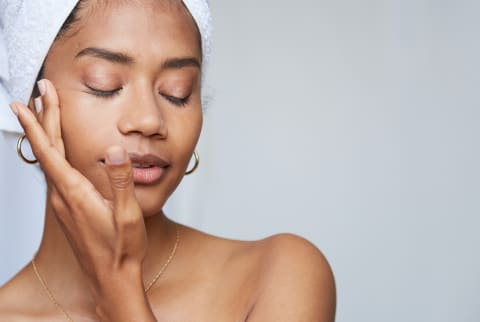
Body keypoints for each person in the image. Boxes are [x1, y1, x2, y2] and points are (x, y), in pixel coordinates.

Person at [0, 0, 336, 321]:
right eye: (105, 85)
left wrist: (120, 291)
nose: (149, 120)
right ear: (30, 106)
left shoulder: (276, 276)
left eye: (177, 92)